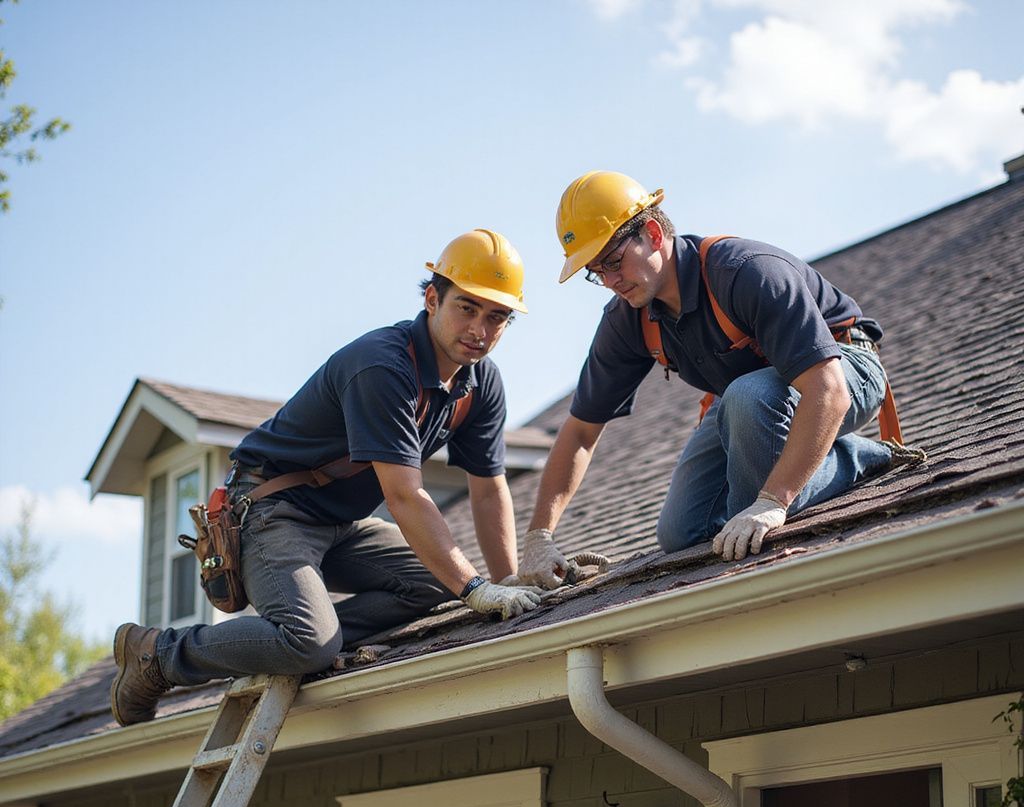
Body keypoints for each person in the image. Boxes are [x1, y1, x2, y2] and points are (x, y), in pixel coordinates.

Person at [111, 229, 544, 726]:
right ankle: (156, 655)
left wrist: (506, 585)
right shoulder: (383, 366)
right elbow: (404, 496)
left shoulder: (479, 383)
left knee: (438, 581)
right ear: (431, 299)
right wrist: (476, 590)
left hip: (342, 523)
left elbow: (488, 487)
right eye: (467, 308)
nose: (480, 329)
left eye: (497, 317)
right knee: (310, 641)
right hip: (272, 510)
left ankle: (301, 640)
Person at [519, 171, 922, 588]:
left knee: (750, 441)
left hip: (844, 368)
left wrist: (772, 501)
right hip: (751, 405)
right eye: (594, 271)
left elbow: (829, 389)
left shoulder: (745, 272)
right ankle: (798, 462)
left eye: (613, 262)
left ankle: (857, 457)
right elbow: (581, 429)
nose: (609, 282)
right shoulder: (628, 319)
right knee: (682, 532)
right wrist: (539, 536)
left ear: (654, 233)